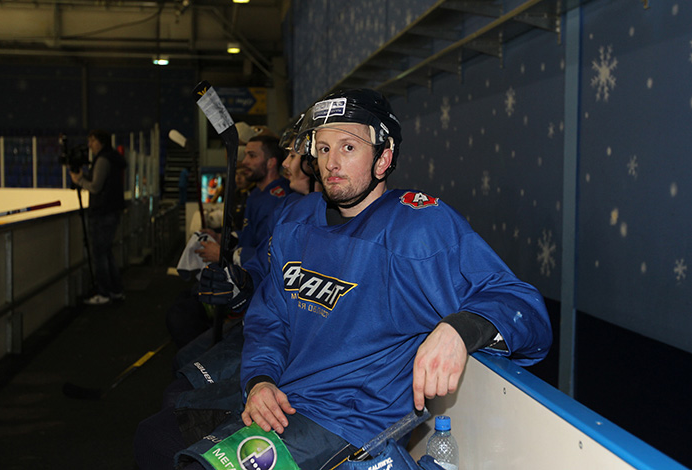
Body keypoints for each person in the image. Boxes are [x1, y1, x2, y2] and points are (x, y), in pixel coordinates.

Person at [136, 90, 552, 470]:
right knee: (154, 437)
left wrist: (460, 329)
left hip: (347, 421)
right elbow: (270, 320)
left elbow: (524, 307)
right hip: (285, 397)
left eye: (348, 147)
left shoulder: (419, 227)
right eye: (323, 148)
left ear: (383, 159)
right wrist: (260, 379)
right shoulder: (296, 220)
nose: (331, 162)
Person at [194, 135, 291, 266]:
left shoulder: (278, 200)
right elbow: (251, 235)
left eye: (252, 156)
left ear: (271, 163)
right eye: (245, 155)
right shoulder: (256, 193)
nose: (244, 162)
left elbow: (268, 254)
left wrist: (225, 255)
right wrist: (223, 238)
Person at [69, 129, 127, 305]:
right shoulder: (112, 158)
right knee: (106, 252)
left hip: (102, 212)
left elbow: (95, 187)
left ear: (101, 142)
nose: (90, 145)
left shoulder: (103, 160)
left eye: (92, 141)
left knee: (100, 254)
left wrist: (79, 181)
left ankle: (104, 292)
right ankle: (115, 290)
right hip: (110, 210)